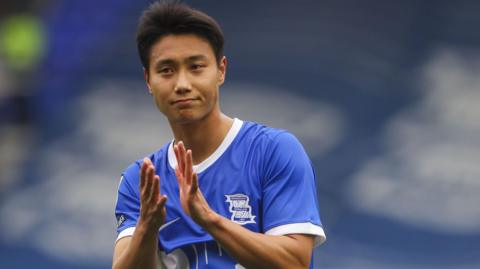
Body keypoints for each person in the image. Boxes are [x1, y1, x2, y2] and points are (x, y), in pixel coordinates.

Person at [112, 1, 326, 268]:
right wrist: (146, 227)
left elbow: (295, 262)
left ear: (221, 70)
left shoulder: (273, 151)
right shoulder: (141, 181)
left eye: (196, 67)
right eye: (166, 70)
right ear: (148, 81)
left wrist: (207, 218)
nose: (182, 84)